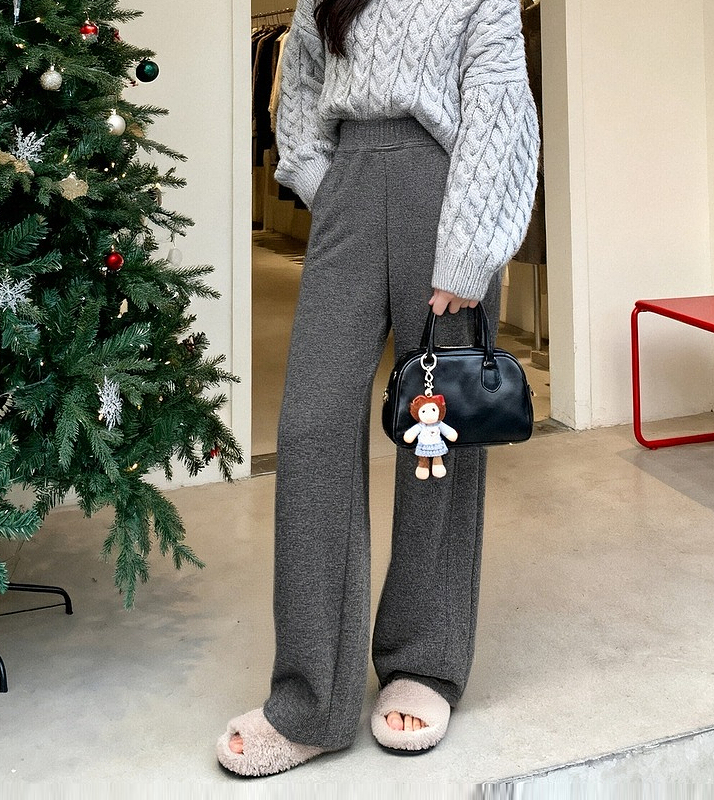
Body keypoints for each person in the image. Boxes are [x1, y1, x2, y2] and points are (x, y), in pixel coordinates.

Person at [217, 0, 539, 777]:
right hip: (349, 190)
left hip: (446, 187)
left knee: (439, 435)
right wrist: (323, 183)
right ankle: (311, 699)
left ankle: (423, 660)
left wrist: (468, 250)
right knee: (312, 428)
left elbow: (498, 107)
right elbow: (299, 87)